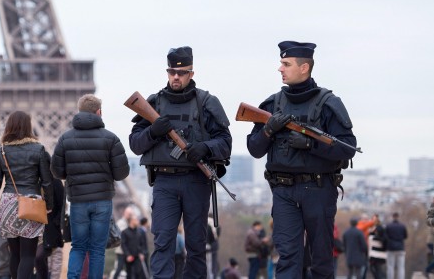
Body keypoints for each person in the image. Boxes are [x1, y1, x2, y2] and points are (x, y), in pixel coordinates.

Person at [246, 41, 357, 278]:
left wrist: (311, 145)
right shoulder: (272, 104)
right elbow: (254, 149)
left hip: (318, 189)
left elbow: (347, 148)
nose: (280, 69)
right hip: (283, 191)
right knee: (287, 257)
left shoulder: (328, 104)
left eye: (286, 64)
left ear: (304, 67)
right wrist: (268, 130)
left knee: (321, 259)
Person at [129, 46, 232, 278]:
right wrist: (153, 132)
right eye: (172, 72)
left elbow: (225, 143)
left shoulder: (206, 102)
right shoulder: (154, 103)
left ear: (191, 74)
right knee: (163, 240)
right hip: (164, 181)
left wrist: (203, 148)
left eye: (182, 72)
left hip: (196, 180)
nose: (176, 76)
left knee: (196, 245)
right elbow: (135, 144)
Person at [51, 94, 130, 279]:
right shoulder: (111, 139)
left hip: (78, 201)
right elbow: (121, 173)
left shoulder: (65, 139)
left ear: (79, 112)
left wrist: (72, 176)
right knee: (97, 250)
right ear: (99, 112)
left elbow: (56, 171)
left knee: (78, 247)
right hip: (102, 201)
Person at [0, 111, 54, 279]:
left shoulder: (3, 150)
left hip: (9, 203)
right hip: (31, 204)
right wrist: (50, 205)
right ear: (28, 126)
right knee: (28, 255)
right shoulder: (38, 149)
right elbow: (47, 181)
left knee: (15, 254)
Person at [35, 178, 66, 279]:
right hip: (36, 230)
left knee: (54, 259)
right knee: (38, 259)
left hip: (52, 230)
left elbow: (62, 205)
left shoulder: (55, 182)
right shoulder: (34, 182)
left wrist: (56, 223)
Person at [113, 207, 134, 279]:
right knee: (119, 268)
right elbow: (120, 236)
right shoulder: (121, 222)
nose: (130, 215)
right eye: (129, 214)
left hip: (128, 250)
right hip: (121, 250)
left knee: (129, 269)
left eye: (131, 214)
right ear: (125, 213)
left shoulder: (129, 222)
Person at [385, 212, 407, 279]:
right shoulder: (402, 226)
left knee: (390, 266)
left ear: (392, 217)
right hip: (400, 248)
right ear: (398, 217)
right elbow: (405, 236)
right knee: (401, 267)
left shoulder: (388, 226)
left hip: (391, 248)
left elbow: (385, 237)